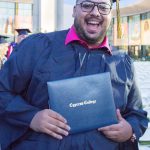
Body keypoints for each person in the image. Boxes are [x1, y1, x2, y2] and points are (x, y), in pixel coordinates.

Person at [0, 0, 148, 149]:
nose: (95, 12)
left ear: (111, 14)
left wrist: (129, 130)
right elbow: (2, 90)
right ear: (74, 10)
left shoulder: (122, 62)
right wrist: (31, 117)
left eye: (103, 7)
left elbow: (137, 114)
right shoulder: (38, 46)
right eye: (87, 5)